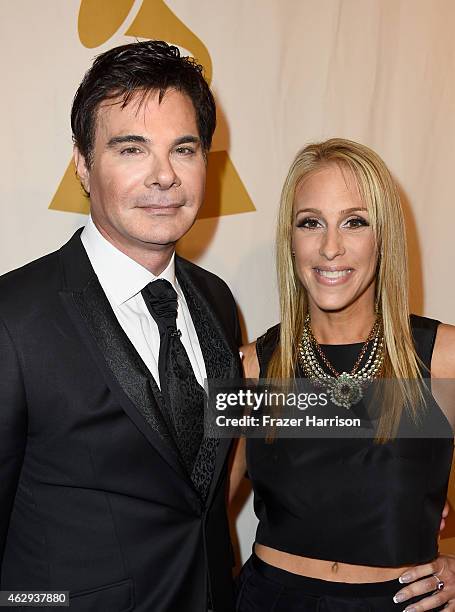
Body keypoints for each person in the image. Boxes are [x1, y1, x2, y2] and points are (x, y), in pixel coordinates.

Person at [0, 41, 242, 612]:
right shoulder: (14, 318)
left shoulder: (218, 301)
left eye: (183, 149)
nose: (164, 176)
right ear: (83, 165)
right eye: (131, 149)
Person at [230, 138, 455, 611]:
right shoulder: (253, 367)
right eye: (310, 223)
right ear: (290, 241)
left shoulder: (442, 357)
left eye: (355, 222)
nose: (331, 247)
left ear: (384, 237)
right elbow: (197, 514)